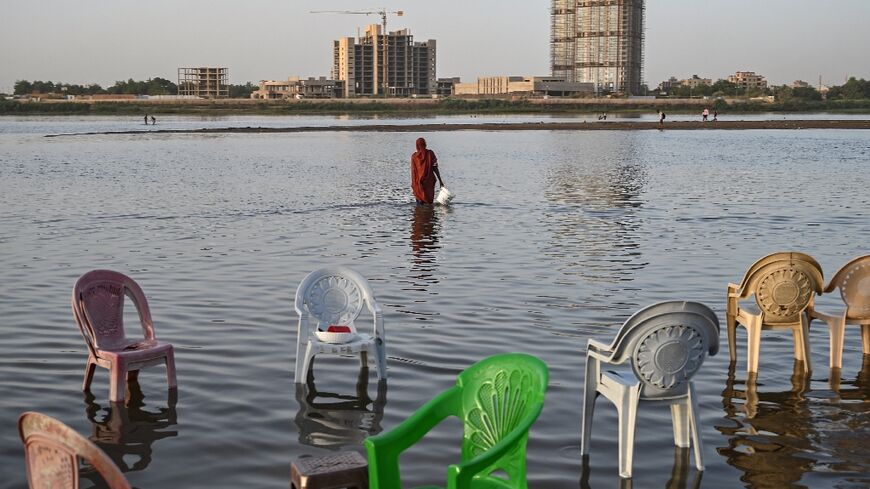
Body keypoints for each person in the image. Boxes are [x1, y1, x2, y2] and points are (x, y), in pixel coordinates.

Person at [410, 137, 444, 205]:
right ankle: (429, 211)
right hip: (429, 183)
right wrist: (440, 180)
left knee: (419, 205)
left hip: (418, 184)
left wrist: (414, 184)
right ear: (425, 144)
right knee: (429, 203)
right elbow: (435, 167)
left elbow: (413, 172)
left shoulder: (414, 156)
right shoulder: (430, 154)